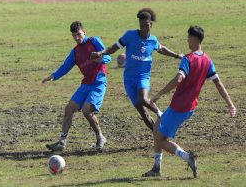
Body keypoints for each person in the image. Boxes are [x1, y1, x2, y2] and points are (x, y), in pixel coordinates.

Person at [142, 25, 237, 177]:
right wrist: (230, 104)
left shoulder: (188, 59)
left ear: (194, 39)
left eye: (188, 38)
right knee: (156, 128)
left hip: (178, 107)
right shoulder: (207, 60)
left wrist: (158, 94)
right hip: (190, 107)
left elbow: (178, 79)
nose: (187, 41)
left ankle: (187, 157)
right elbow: (218, 84)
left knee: (160, 139)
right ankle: (156, 168)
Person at [90, 8, 183, 131]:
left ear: (151, 24)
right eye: (142, 26)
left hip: (143, 76)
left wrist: (177, 55)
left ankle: (160, 113)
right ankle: (158, 135)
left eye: (146, 25)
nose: (144, 28)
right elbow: (113, 48)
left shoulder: (153, 40)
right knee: (143, 113)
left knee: (143, 99)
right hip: (129, 80)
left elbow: (161, 49)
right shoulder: (130, 35)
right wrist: (101, 53)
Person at [42, 21, 111, 151]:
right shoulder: (75, 52)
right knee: (69, 109)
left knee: (86, 110)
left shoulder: (94, 41)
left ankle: (100, 137)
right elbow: (65, 66)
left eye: (79, 34)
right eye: (74, 35)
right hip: (86, 84)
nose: (77, 38)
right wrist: (54, 76)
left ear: (84, 32)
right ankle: (62, 142)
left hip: (98, 82)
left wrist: (100, 59)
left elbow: (108, 56)